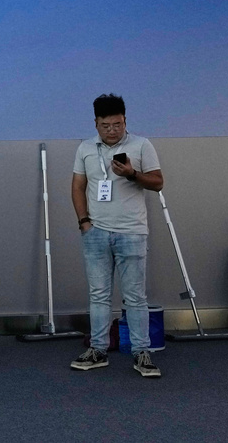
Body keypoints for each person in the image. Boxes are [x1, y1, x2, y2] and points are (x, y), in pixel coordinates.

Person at [70, 94, 164, 378]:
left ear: (126, 121)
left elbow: (158, 182)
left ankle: (141, 352)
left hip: (132, 231)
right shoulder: (85, 148)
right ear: (96, 124)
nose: (112, 130)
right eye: (105, 125)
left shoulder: (141, 145)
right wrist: (84, 222)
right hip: (96, 231)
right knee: (98, 295)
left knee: (135, 297)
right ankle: (98, 349)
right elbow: (77, 186)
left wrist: (132, 173)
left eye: (117, 124)